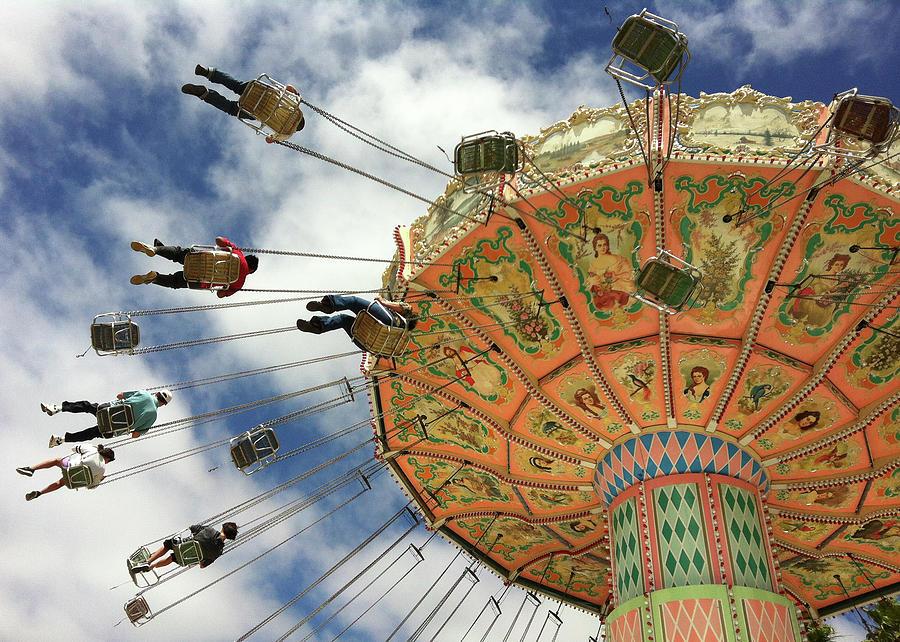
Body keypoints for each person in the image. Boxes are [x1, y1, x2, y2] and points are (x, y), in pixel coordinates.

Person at [181, 65, 305, 141]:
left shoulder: (293, 106)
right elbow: (269, 139)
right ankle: (205, 93)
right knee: (231, 109)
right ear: (296, 129)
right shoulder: (286, 134)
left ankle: (208, 72)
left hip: (262, 93)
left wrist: (296, 94)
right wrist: (274, 139)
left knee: (236, 85)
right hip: (255, 111)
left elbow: (288, 87)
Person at [129, 237, 258, 297]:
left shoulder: (238, 254)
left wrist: (229, 246)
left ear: (246, 258)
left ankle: (156, 249)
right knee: (175, 282)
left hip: (200, 259)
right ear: (251, 271)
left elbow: (218, 240)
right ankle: (155, 278)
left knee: (178, 253)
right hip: (200, 279)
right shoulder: (239, 284)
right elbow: (220, 294)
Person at [41, 389, 172, 447]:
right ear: (163, 404)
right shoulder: (153, 416)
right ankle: (61, 440)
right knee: (89, 434)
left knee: (86, 406)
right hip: (111, 429)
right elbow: (135, 435)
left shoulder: (144, 393)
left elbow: (120, 395)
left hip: (106, 412)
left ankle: (57, 408)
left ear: (157, 393)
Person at [295, 295, 419, 346]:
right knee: (343, 320)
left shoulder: (405, 314)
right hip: (369, 343)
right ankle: (317, 326)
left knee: (353, 302)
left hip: (387, 321)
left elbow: (402, 307)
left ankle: (329, 305)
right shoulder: (399, 340)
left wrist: (383, 301)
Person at [17, 444, 115, 501]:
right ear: (107, 459)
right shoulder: (102, 470)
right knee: (61, 483)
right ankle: (39, 493)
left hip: (68, 466)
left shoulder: (93, 450)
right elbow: (91, 486)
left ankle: (31, 469)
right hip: (74, 481)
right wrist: (100, 480)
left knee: (57, 460)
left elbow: (75, 448)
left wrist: (93, 446)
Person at [133, 523, 238, 572]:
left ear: (223, 528)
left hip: (180, 546)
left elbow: (192, 527)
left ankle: (148, 562)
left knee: (167, 546)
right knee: (172, 558)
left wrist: (195, 531)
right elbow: (202, 565)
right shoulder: (218, 551)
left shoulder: (210, 530)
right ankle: (152, 567)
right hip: (186, 558)